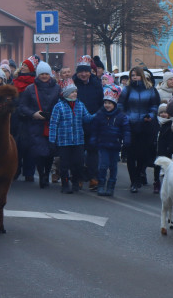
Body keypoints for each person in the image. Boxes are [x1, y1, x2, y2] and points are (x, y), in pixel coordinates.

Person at [17, 61, 60, 187]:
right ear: (38, 75)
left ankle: (47, 172)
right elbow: (22, 106)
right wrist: (33, 113)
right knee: (39, 152)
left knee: (51, 151)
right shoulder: (30, 89)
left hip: (52, 124)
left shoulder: (57, 88)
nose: (44, 76)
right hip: (36, 124)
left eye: (46, 74)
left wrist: (55, 115)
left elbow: (61, 104)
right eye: (42, 74)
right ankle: (42, 175)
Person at [118, 66, 161, 193]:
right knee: (131, 155)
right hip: (130, 125)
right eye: (132, 75)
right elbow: (120, 105)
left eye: (136, 75)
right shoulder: (127, 89)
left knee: (143, 154)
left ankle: (139, 174)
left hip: (145, 125)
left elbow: (154, 105)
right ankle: (134, 181)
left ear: (141, 76)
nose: (134, 77)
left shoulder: (150, 89)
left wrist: (150, 115)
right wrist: (125, 116)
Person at [49, 83, 94, 193]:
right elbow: (53, 124)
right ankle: (65, 185)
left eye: (76, 92)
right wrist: (52, 140)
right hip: (64, 141)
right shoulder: (58, 106)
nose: (75, 94)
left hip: (78, 140)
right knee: (64, 165)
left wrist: (98, 115)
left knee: (78, 163)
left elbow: (87, 118)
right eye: (73, 92)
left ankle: (75, 183)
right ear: (67, 93)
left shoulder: (80, 105)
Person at [89, 87, 130, 196]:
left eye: (110, 103)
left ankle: (111, 185)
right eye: (106, 103)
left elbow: (126, 129)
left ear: (115, 104)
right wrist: (93, 140)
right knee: (103, 165)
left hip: (115, 145)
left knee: (113, 166)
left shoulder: (121, 116)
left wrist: (126, 140)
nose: (107, 105)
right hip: (102, 144)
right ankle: (101, 184)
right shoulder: (100, 115)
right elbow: (94, 129)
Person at [73, 56, 104, 188]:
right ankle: (78, 178)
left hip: (94, 122)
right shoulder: (73, 83)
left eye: (86, 71)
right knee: (78, 153)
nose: (83, 74)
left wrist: (98, 115)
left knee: (93, 152)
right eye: (81, 72)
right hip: (77, 123)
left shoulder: (96, 83)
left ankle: (93, 177)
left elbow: (102, 102)